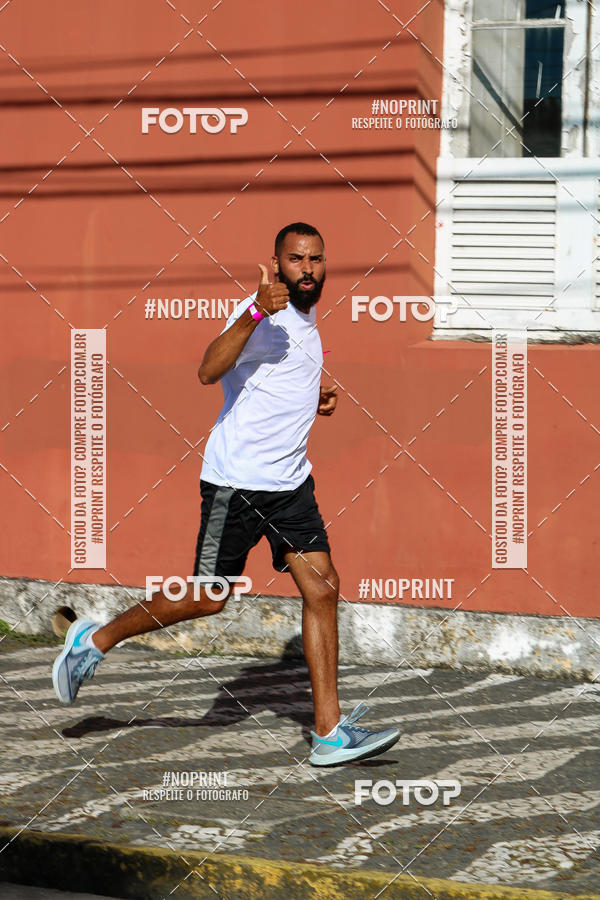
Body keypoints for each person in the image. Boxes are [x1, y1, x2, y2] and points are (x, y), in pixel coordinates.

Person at [52, 222, 400, 766]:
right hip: (236, 483)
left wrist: (316, 393)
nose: (307, 269)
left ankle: (329, 733)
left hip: (289, 486)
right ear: (276, 262)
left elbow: (272, 377)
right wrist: (256, 311)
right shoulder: (261, 312)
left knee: (324, 589)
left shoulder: (306, 316)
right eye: (296, 259)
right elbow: (209, 369)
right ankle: (93, 642)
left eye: (316, 259)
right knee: (209, 596)